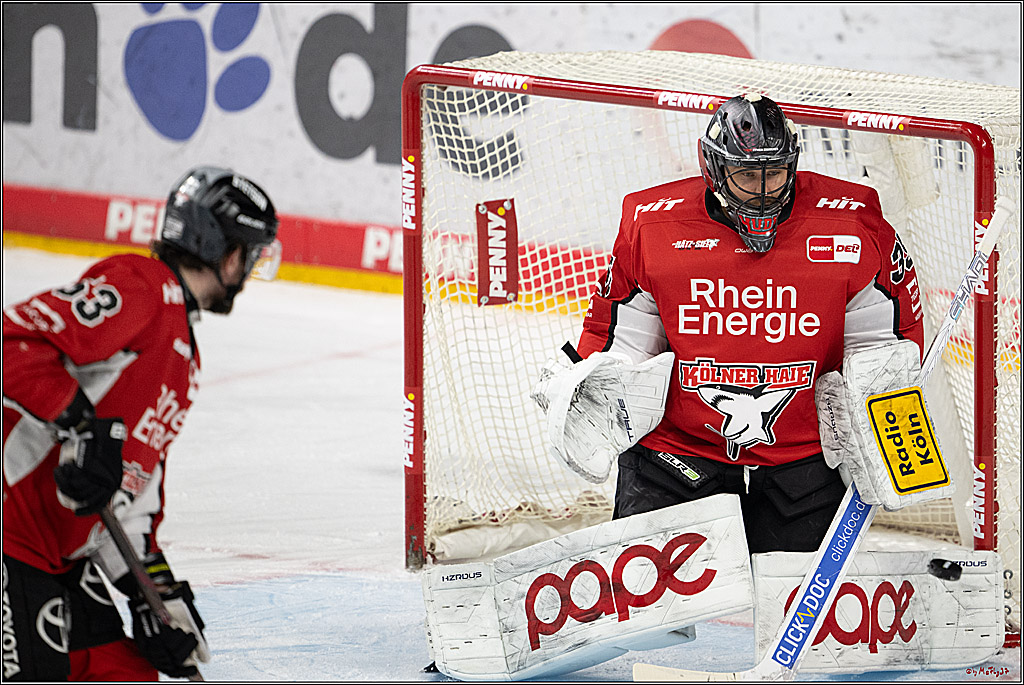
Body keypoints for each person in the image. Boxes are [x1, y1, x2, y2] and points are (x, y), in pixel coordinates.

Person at [570, 93, 924, 553]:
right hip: (677, 458)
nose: (762, 190)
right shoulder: (652, 227)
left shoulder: (852, 225)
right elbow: (620, 340)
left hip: (804, 464)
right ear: (715, 170)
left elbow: (886, 352)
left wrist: (895, 446)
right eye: (745, 176)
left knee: (800, 615)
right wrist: (594, 391)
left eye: (774, 174)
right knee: (648, 613)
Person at [2, 166, 280, 680]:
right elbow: (10, 341)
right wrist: (79, 424)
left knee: (127, 672)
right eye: (254, 255)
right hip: (12, 536)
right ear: (231, 251)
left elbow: (130, 493)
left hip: (60, 553)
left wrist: (157, 597)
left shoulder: (184, 356)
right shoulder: (140, 288)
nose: (250, 271)